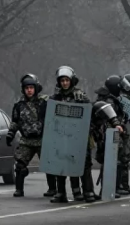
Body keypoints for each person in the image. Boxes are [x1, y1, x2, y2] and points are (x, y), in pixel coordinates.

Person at [49, 66, 95, 203]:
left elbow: (89, 114)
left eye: (67, 80)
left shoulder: (81, 96)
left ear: (72, 81)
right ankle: (61, 192)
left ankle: (88, 191)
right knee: (60, 163)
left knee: (84, 164)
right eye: (62, 80)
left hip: (79, 136)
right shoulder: (55, 98)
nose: (64, 83)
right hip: (61, 136)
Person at [6, 74, 57, 197]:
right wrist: (10, 134)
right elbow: (15, 121)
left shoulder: (43, 102)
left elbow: (53, 116)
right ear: (23, 89)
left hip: (42, 139)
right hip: (26, 140)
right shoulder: (19, 105)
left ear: (35, 88)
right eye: (27, 88)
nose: (29, 90)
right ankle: (19, 189)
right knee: (20, 165)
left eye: (31, 88)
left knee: (48, 165)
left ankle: (52, 189)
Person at [94, 75, 127, 198]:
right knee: (110, 161)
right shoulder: (110, 102)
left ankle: (110, 188)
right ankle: (107, 188)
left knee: (111, 161)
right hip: (108, 134)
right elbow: (109, 120)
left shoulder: (109, 99)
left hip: (108, 134)